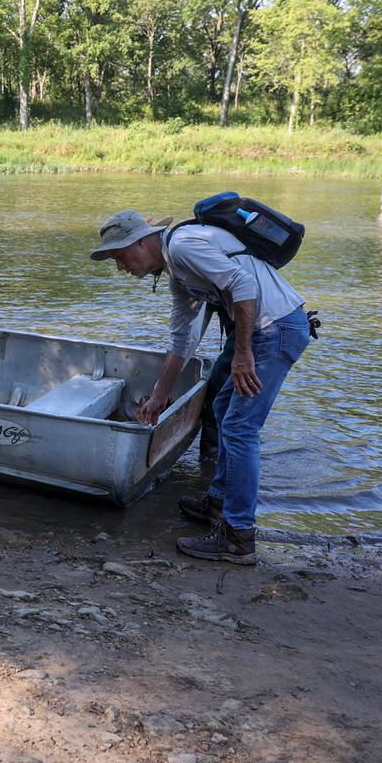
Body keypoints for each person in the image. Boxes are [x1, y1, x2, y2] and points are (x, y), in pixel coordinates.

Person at [90, 209, 311, 565]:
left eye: (120, 256)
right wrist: (160, 395)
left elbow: (245, 286)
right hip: (265, 331)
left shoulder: (183, 246)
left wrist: (241, 355)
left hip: (274, 330)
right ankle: (220, 503)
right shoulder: (178, 273)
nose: (121, 267)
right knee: (224, 410)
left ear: (143, 242)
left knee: (241, 427)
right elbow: (182, 339)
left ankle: (238, 538)